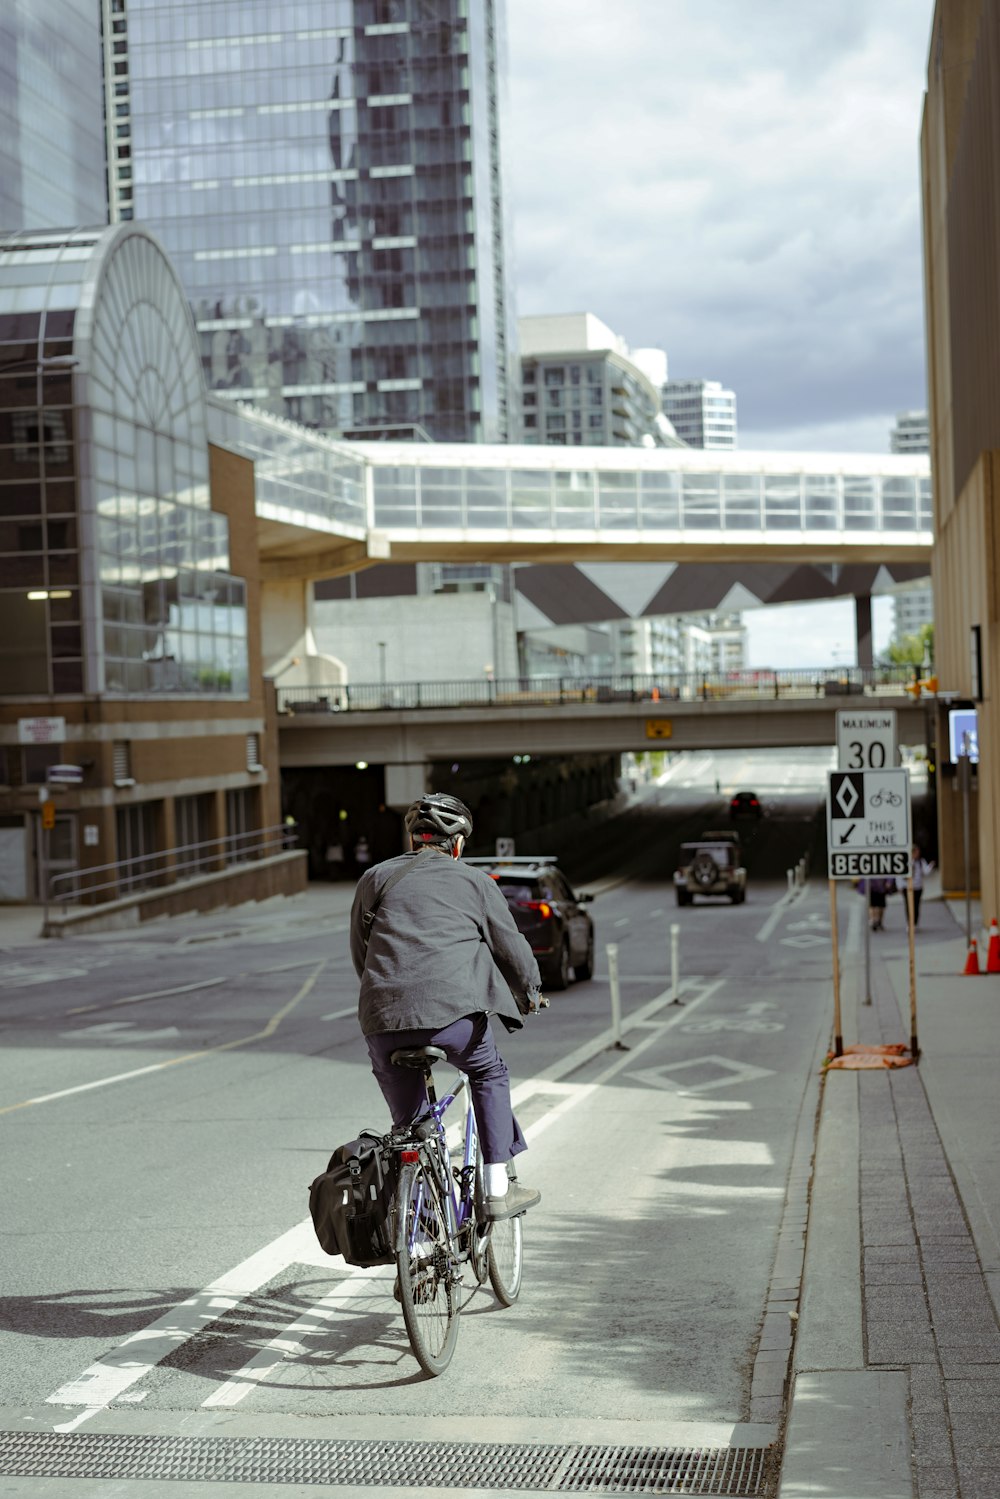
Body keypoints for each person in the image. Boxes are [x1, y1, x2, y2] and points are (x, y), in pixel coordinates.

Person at [350, 792, 544, 1221]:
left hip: (383, 1020)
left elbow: (361, 955)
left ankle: (417, 1234)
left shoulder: (374, 879)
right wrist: (530, 992)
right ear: (457, 844)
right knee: (488, 1072)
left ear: (415, 840)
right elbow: (511, 948)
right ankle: (496, 1189)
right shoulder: (476, 883)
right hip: (452, 1021)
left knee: (410, 1131)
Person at [908, 845, 935, 927]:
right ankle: (909, 922)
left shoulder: (920, 861)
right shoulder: (908, 861)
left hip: (918, 887)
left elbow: (926, 872)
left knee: (916, 905)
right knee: (908, 905)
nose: (918, 854)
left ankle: (915, 922)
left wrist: (930, 866)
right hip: (908, 887)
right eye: (916, 852)